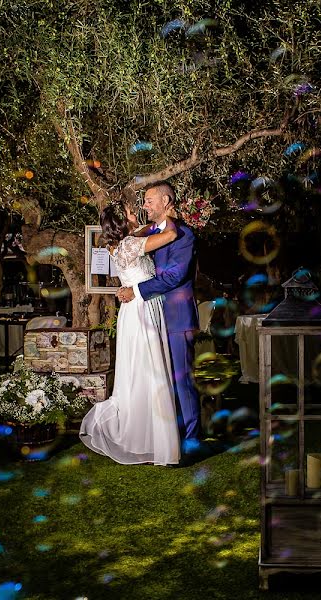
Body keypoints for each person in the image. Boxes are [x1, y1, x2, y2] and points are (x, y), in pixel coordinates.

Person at [79, 202, 180, 465]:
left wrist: (148, 222)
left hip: (136, 309)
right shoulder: (131, 245)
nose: (136, 214)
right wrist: (167, 214)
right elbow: (170, 235)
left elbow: (145, 229)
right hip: (141, 311)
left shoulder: (123, 243)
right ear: (123, 222)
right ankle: (152, 439)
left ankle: (144, 435)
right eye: (130, 213)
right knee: (149, 371)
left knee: (141, 372)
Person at [116, 182, 202, 457]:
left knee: (181, 380)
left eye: (149, 200)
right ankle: (165, 437)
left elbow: (175, 276)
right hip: (151, 318)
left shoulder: (184, 235)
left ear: (166, 201)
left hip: (176, 318)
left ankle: (190, 441)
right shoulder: (151, 232)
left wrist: (136, 290)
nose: (145, 206)